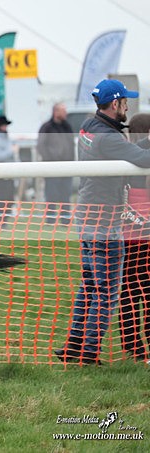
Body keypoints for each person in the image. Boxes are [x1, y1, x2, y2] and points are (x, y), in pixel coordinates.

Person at [55, 79, 150, 365]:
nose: (128, 107)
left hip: (86, 217)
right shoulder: (110, 139)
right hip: (104, 222)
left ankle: (73, 346)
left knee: (89, 287)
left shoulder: (89, 127)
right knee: (106, 292)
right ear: (115, 104)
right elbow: (144, 159)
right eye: (125, 102)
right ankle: (89, 353)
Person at [119, 113, 150, 363]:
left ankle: (132, 345)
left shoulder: (127, 155)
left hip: (129, 236)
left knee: (128, 293)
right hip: (142, 236)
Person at [37, 103, 75, 224]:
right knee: (51, 194)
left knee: (66, 194)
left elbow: (71, 145)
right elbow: (41, 146)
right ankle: (51, 219)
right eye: (63, 111)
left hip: (67, 167)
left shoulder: (67, 127)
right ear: (55, 112)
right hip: (51, 168)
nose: (65, 113)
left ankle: (65, 219)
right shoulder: (46, 127)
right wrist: (50, 160)